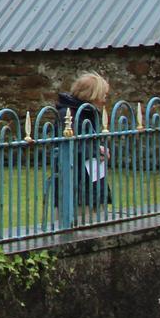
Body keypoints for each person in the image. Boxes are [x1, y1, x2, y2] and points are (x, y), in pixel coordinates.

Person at [53, 71, 113, 213]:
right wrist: (97, 151)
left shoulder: (90, 113)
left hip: (93, 179)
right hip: (75, 182)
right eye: (103, 93)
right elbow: (71, 147)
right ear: (93, 93)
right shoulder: (69, 115)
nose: (105, 98)